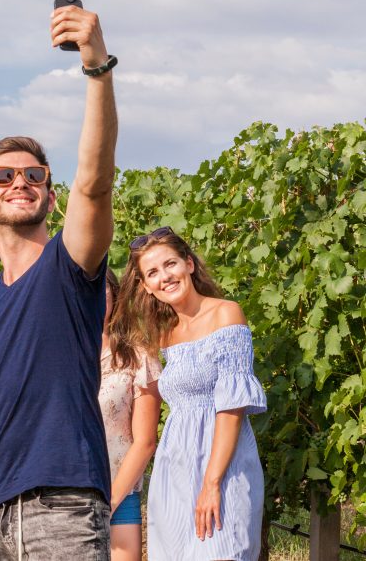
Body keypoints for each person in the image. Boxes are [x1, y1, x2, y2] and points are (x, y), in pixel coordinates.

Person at [0, 3, 119, 561]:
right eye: (4, 176)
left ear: (50, 193)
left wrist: (96, 68)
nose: (19, 181)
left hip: (62, 510)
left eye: (34, 175)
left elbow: (94, 183)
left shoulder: (68, 268)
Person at [111, 227, 266, 560]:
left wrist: (211, 483)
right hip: (175, 470)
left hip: (223, 468)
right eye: (152, 272)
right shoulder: (165, 333)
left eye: (170, 264)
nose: (164, 276)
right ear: (145, 286)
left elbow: (232, 408)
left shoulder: (226, 313)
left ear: (189, 264)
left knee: (224, 551)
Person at [99, 270, 161, 561]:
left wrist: (109, 502)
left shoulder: (138, 356)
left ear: (114, 294)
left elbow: (145, 441)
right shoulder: (52, 356)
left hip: (118, 494)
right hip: (63, 497)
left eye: (100, 289)